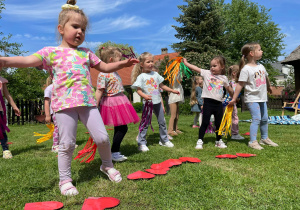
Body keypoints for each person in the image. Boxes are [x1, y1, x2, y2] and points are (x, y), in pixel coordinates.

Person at [0, 0, 138, 196]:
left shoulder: (86, 53)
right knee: (67, 144)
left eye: (83, 28)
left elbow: (105, 68)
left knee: (102, 137)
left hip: (88, 104)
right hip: (64, 105)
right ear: (61, 29)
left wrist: (124, 63)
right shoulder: (51, 52)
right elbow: (27, 60)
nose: (80, 31)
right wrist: (4, 61)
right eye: (75, 26)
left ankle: (106, 165)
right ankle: (65, 180)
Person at [228, 42, 278, 150]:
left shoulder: (261, 66)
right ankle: (252, 141)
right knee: (256, 119)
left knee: (264, 119)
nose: (262, 51)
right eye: (259, 49)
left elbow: (266, 77)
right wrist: (234, 98)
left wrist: (269, 87)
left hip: (262, 97)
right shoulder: (246, 69)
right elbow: (240, 85)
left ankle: (264, 138)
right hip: (252, 98)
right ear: (251, 53)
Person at [96, 46, 140, 162]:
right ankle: (114, 152)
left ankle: (114, 151)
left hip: (120, 100)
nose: (121, 62)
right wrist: (95, 105)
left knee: (120, 127)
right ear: (111, 60)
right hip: (112, 102)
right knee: (122, 128)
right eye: (119, 59)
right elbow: (99, 90)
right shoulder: (103, 74)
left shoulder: (114, 72)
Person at [131, 52, 179, 152]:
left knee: (162, 122)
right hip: (148, 104)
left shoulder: (156, 74)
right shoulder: (141, 77)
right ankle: (142, 143)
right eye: (148, 62)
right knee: (145, 123)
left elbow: (162, 86)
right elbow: (138, 90)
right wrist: (144, 96)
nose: (151, 63)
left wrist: (172, 90)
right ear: (142, 64)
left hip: (157, 103)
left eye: (152, 61)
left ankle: (164, 140)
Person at [183, 56, 233, 149]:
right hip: (208, 104)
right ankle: (200, 140)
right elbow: (196, 68)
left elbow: (229, 88)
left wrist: (233, 97)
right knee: (205, 122)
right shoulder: (207, 73)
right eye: (211, 66)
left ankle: (218, 141)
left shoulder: (224, 78)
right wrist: (186, 64)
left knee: (218, 123)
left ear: (222, 66)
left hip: (218, 104)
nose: (212, 68)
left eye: (214, 66)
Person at [0, 76, 20, 159]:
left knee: (1, 131)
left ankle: (5, 150)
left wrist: (14, 106)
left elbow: (7, 94)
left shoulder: (1, 80)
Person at [226, 65, 244, 140]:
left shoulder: (228, 81)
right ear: (234, 73)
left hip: (226, 101)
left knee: (227, 117)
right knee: (234, 117)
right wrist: (236, 98)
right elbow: (233, 93)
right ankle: (235, 134)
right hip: (231, 102)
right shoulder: (235, 83)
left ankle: (224, 131)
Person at [44, 76, 60, 152]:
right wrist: (47, 115)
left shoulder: (62, 86)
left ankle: (66, 143)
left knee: (65, 128)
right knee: (57, 128)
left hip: (64, 109)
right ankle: (55, 145)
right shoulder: (50, 88)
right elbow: (46, 102)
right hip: (55, 111)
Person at [167, 71, 185, 136]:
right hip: (173, 100)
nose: (181, 78)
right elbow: (176, 76)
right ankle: (170, 130)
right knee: (173, 115)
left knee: (177, 115)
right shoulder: (175, 83)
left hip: (176, 99)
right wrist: (177, 70)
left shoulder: (179, 84)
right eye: (180, 76)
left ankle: (175, 129)